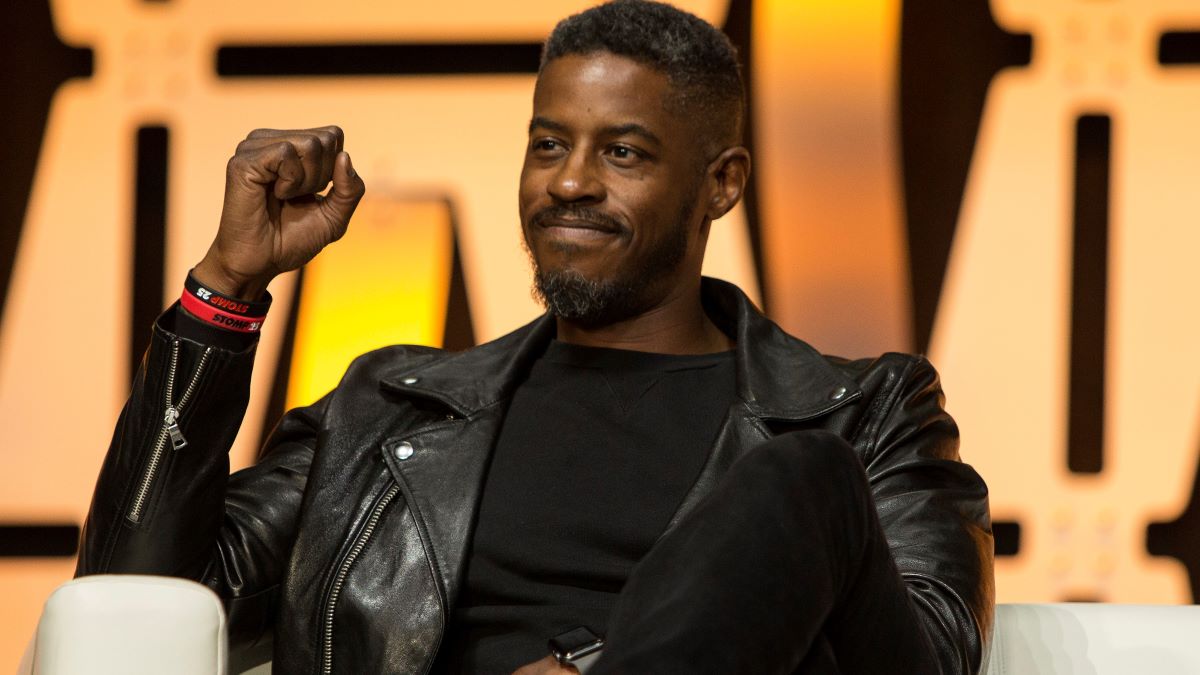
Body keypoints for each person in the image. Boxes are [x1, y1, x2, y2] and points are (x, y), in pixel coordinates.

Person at [76, 1, 994, 673]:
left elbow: (933, 659)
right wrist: (227, 289)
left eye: (622, 153)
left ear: (721, 184)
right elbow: (135, 601)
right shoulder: (387, 410)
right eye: (549, 145)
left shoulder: (862, 415)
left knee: (806, 480)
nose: (568, 183)